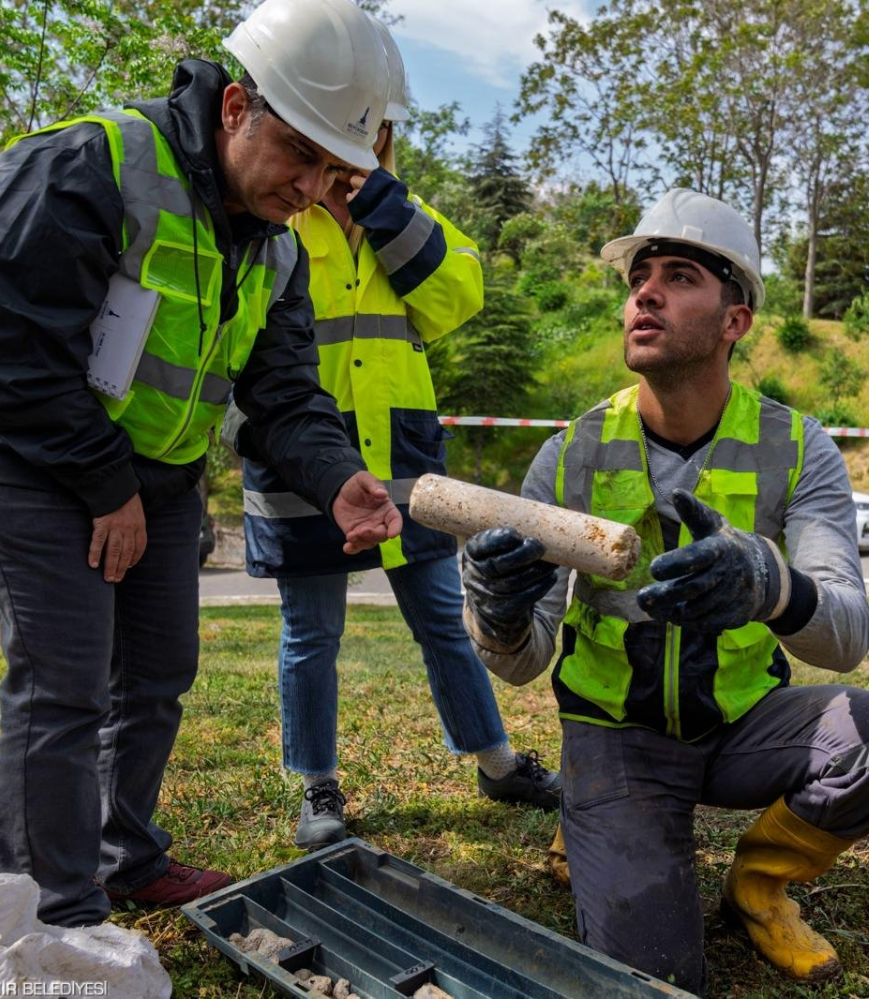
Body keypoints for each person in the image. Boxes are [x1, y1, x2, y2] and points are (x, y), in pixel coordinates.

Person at [0, 0, 401, 927]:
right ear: (233, 108)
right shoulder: (86, 166)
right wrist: (106, 486)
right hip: (14, 442)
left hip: (155, 470)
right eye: (298, 155)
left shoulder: (276, 246)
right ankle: (46, 912)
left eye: (331, 170)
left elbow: (286, 393)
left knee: (156, 670)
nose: (308, 187)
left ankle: (121, 853)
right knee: (63, 676)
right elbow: (14, 351)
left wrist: (335, 474)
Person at [458, 190, 869, 992]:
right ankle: (595, 815)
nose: (644, 292)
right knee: (658, 974)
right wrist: (497, 611)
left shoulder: (796, 445)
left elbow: (847, 633)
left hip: (742, 727)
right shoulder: (570, 451)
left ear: (734, 320)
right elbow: (521, 661)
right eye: (639, 277)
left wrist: (770, 584)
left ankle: (757, 885)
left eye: (679, 276)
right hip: (618, 734)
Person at [233, 14, 560, 851]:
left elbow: (457, 298)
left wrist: (379, 201)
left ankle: (495, 762)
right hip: (302, 468)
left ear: (383, 138)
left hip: (405, 467)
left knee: (444, 621)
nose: (340, 158)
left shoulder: (404, 219)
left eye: (366, 139)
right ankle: (316, 786)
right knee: (311, 635)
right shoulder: (274, 217)